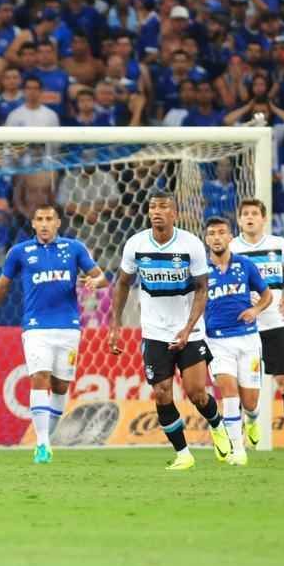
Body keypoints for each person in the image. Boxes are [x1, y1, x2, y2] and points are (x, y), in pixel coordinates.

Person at [0, 204, 107, 464]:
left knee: (60, 386)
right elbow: (2, 285)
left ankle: (48, 436)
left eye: (49, 219)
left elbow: (101, 277)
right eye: (39, 219)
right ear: (33, 224)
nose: (44, 223)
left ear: (58, 223)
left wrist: (95, 282)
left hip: (68, 327)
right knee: (39, 377)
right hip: (36, 327)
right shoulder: (20, 252)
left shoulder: (75, 248)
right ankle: (43, 444)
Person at [108, 191, 230, 470]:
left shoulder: (191, 245)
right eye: (152, 207)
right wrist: (115, 324)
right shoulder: (135, 244)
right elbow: (123, 283)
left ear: (174, 213)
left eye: (163, 207)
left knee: (196, 392)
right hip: (154, 332)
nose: (157, 211)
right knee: (162, 392)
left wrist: (188, 328)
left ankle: (217, 425)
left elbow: (202, 289)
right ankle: (183, 454)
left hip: (189, 331)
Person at [231, 199, 284, 452]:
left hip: (275, 323)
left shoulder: (278, 244)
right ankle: (238, 440)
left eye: (255, 213)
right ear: (239, 220)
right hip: (245, 327)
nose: (250, 217)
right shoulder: (232, 249)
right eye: (245, 214)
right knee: (244, 388)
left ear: (263, 218)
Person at [202, 216, 272, 467]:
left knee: (251, 402)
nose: (217, 237)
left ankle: (252, 420)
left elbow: (266, 295)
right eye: (212, 233)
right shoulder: (201, 271)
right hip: (218, 342)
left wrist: (256, 311)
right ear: (207, 239)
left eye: (222, 232)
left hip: (248, 339)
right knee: (228, 392)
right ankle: (237, 449)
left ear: (230, 237)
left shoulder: (245, 265)